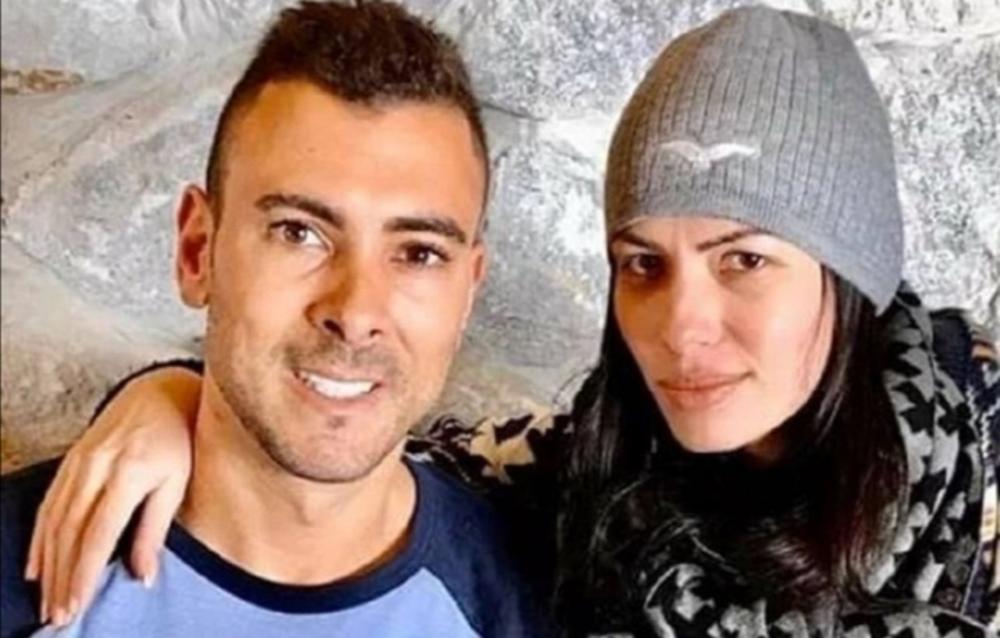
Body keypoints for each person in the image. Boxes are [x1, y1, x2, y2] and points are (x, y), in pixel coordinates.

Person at [15, 5, 1000, 637]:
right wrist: (171, 398)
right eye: (642, 264)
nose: (683, 325)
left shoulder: (979, 486)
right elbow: (345, 451)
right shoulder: (575, 489)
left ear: (851, 275)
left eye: (744, 258)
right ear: (198, 249)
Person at [0, 2, 548, 637]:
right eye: (298, 233)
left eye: (419, 253)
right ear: (197, 251)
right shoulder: (18, 575)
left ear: (468, 292)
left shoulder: (528, 607)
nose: (355, 313)